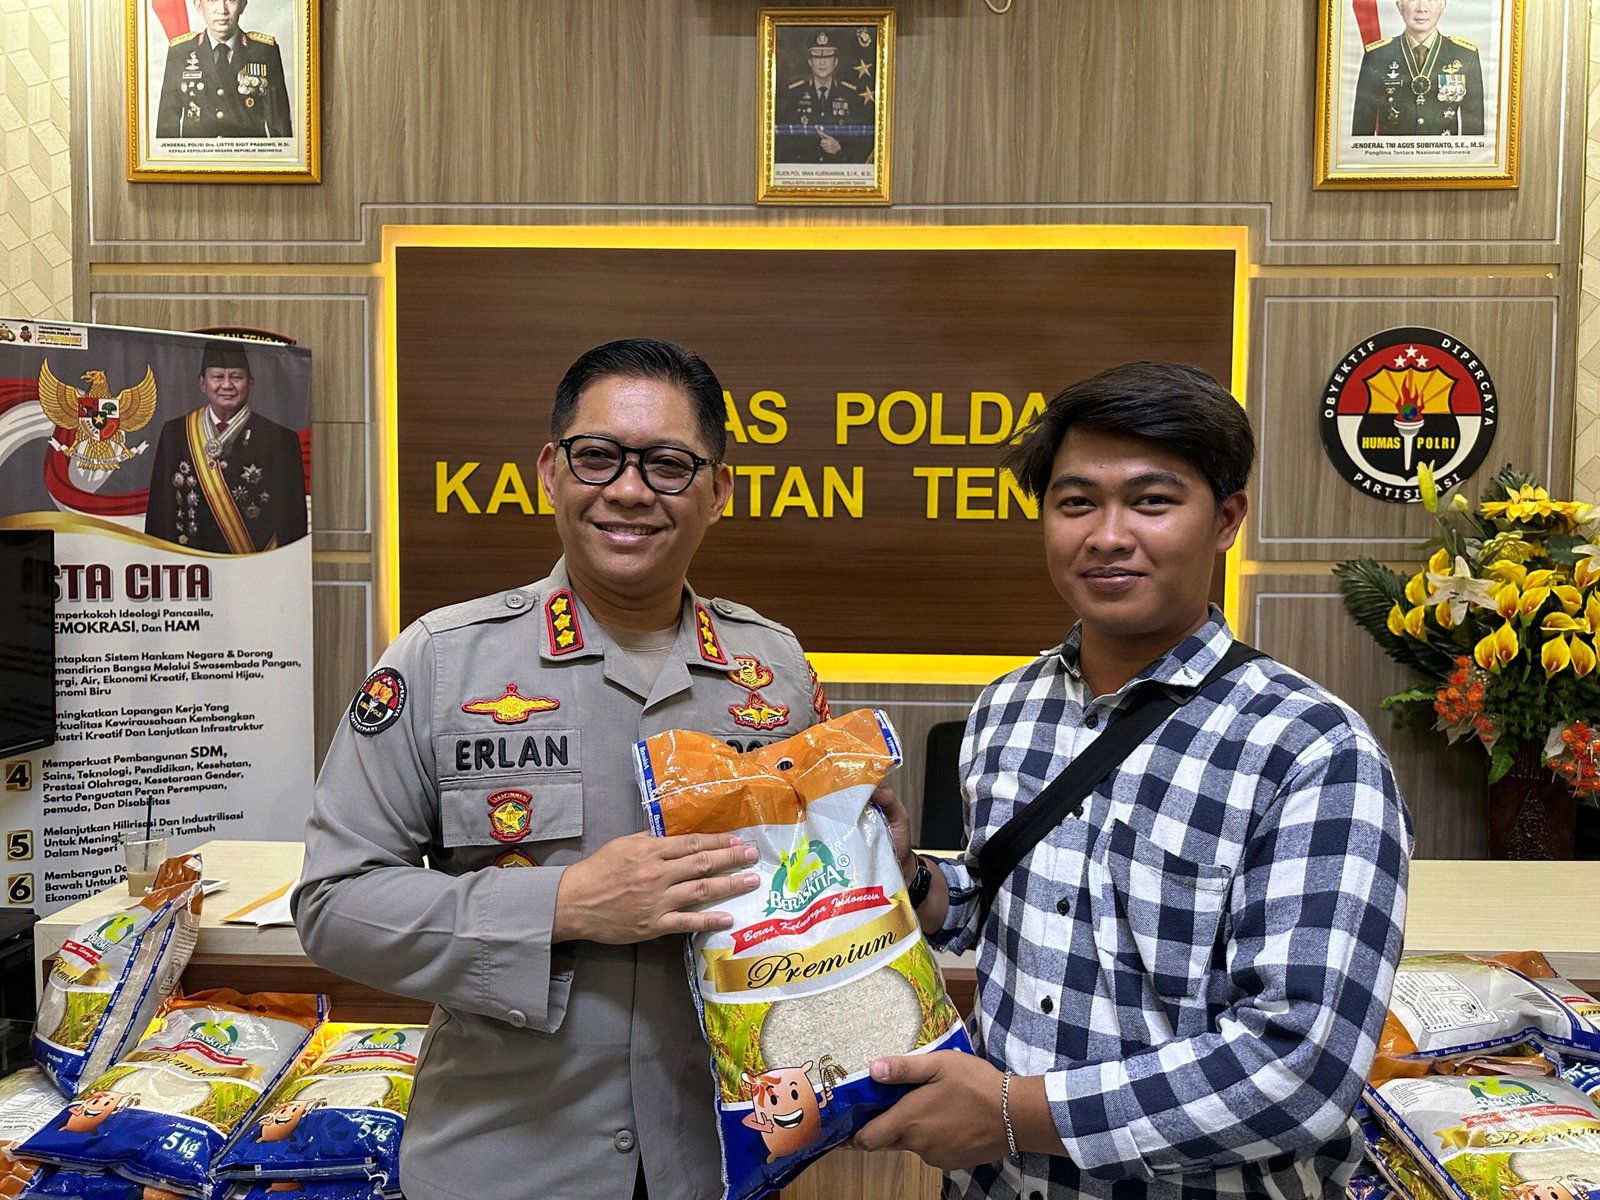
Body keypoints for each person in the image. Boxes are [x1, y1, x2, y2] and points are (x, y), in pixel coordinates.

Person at [853, 361, 1413, 1200]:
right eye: (1076, 503)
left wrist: (1013, 1112)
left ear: (1226, 520)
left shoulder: (1311, 748)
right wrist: (912, 876)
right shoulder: (1006, 706)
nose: (1108, 535)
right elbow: (1009, 908)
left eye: (1151, 501)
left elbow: (1300, 1065)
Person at [293, 338, 830, 1200]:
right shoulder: (440, 662)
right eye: (597, 457)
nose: (629, 490)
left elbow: (816, 900)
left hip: (720, 1161)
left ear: (719, 490)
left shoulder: (775, 673)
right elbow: (334, 904)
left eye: (668, 464)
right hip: (504, 1162)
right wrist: (563, 905)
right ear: (551, 471)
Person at [145, 339, 307, 553]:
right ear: (203, 383)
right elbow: (160, 511)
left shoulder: (280, 439)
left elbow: (293, 520)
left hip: (256, 564)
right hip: (192, 562)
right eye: (218, 377)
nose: (227, 385)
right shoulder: (175, 432)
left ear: (250, 383)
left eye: (236, 377)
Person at [155, 0, 293, 139]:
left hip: (248, 152)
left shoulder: (264, 52)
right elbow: (167, 126)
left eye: (231, 0)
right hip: (197, 152)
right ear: (199, 6)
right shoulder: (180, 52)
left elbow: (279, 125)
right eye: (212, 0)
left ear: (243, 5)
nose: (222, 10)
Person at [1351, 0, 1483, 137]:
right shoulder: (1377, 55)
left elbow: (1475, 134)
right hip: (1394, 150)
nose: (1422, 8)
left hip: (1443, 151)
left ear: (1442, 6)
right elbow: (1361, 132)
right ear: (1400, 5)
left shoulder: (1465, 55)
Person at [775, 29, 872, 165]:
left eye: (827, 57)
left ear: (836, 61)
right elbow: (784, 140)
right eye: (817, 58)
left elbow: (860, 140)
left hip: (839, 170)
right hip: (803, 170)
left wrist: (840, 147)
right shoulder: (794, 94)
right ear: (810, 61)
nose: (822, 63)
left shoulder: (850, 94)